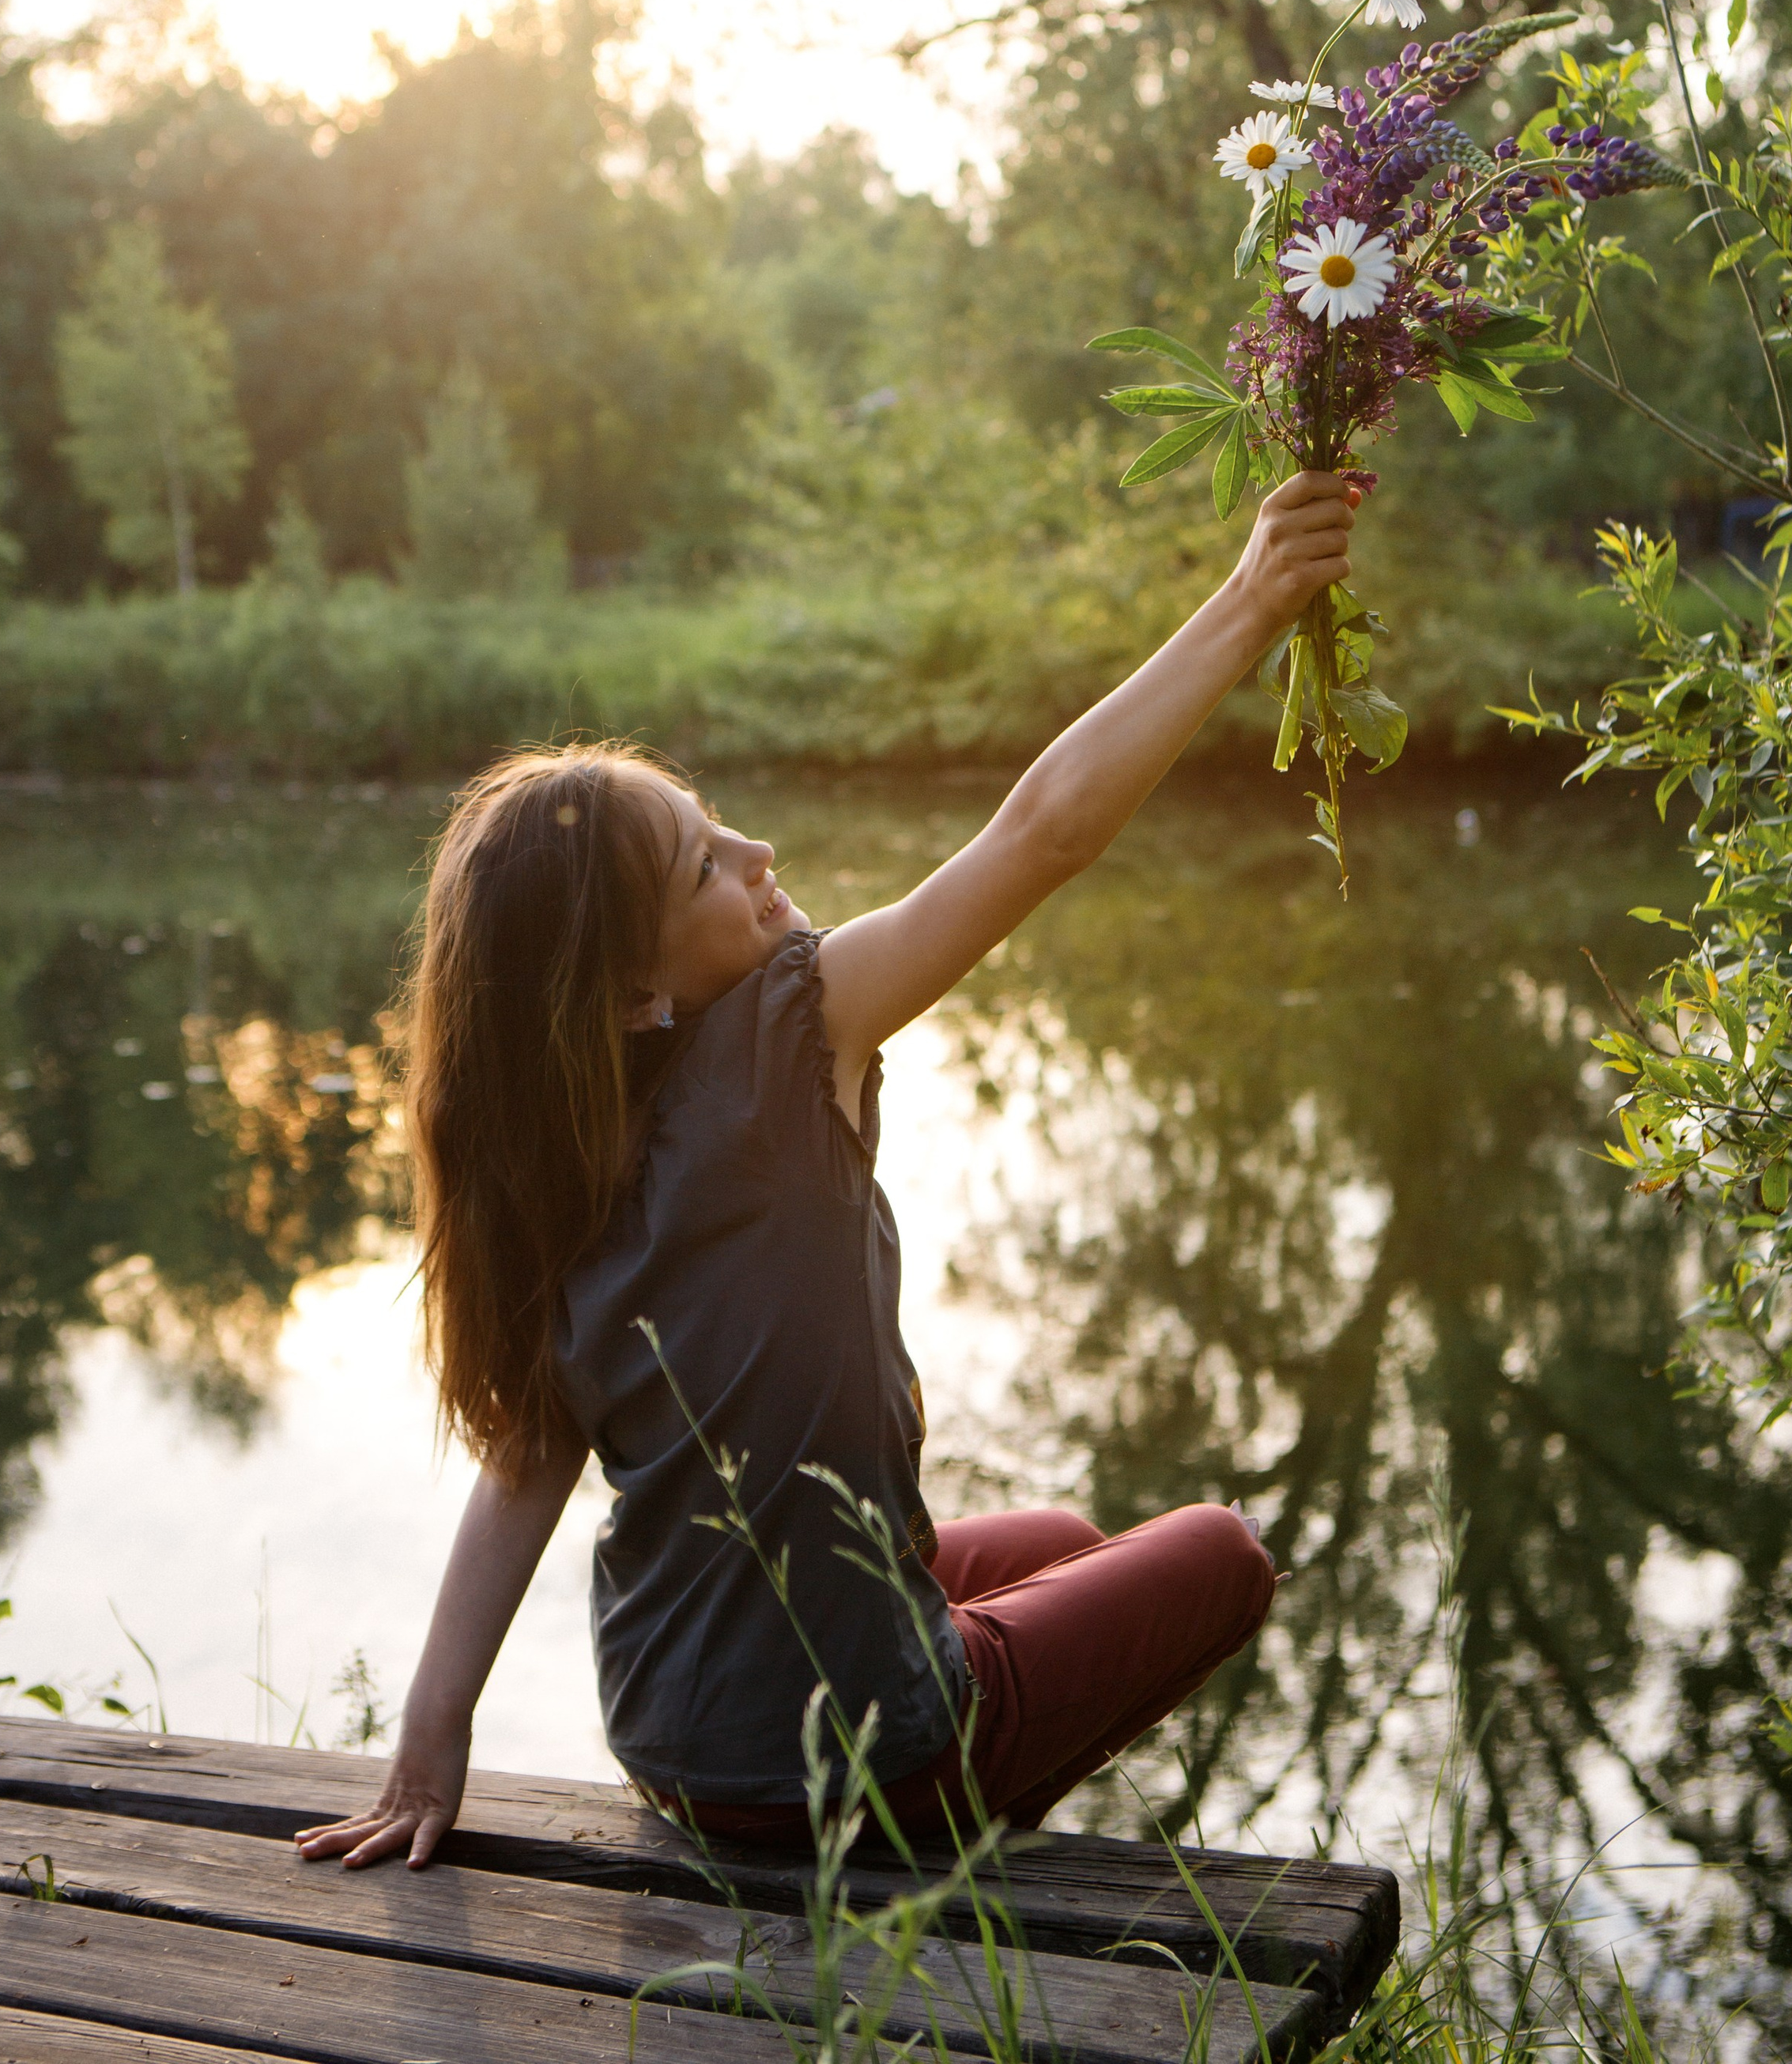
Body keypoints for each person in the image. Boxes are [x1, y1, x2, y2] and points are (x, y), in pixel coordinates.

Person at [295, 468, 1359, 1871]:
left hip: (678, 1754)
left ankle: (916, 1774)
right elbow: (1041, 834)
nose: (758, 853)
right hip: (860, 1763)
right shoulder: (789, 1047)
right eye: (703, 871)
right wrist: (1253, 600)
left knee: (1061, 1538)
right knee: (1221, 1553)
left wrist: (430, 1747)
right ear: (630, 995)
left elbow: (523, 1470)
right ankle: (933, 1837)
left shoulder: (548, 1170)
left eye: (718, 819)